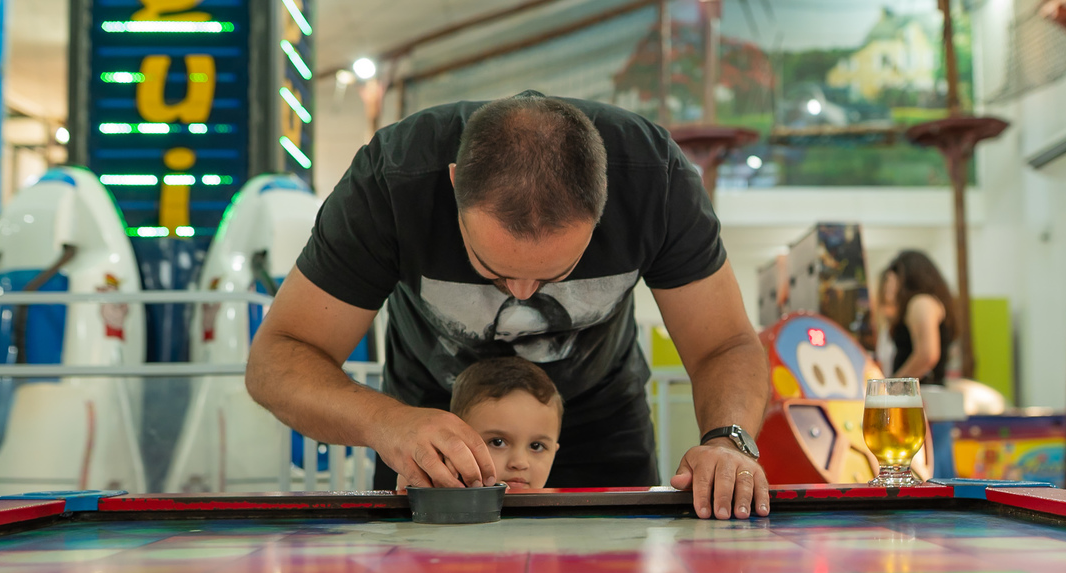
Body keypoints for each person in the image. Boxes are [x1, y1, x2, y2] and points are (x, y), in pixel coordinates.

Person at [246, 91, 771, 520]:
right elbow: (277, 359)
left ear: (606, 199)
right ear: (454, 185)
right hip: (427, 428)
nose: (521, 294)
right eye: (492, 269)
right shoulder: (392, 182)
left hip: (599, 423)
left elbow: (724, 343)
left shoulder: (655, 180)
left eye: (554, 275)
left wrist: (728, 441)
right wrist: (385, 423)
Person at [398, 357, 562, 490]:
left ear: (554, 452)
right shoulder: (432, 495)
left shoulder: (559, 523)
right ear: (452, 443)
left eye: (536, 446)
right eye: (497, 442)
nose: (519, 463)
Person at [880, 250, 956, 384]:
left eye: (892, 280)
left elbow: (927, 356)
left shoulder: (921, 302)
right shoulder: (929, 302)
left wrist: (892, 387)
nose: (888, 287)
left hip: (919, 395)